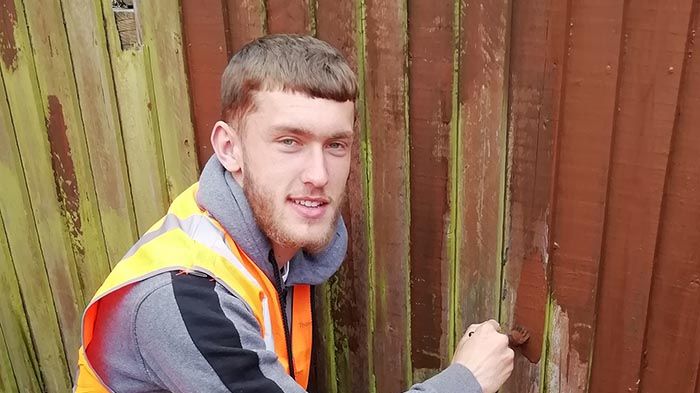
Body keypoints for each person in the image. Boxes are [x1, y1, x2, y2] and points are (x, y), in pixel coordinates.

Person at [73, 34, 513, 393]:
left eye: (335, 145)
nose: (319, 175)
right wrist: (466, 381)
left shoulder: (269, 237)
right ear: (230, 149)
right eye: (289, 141)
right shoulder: (185, 299)